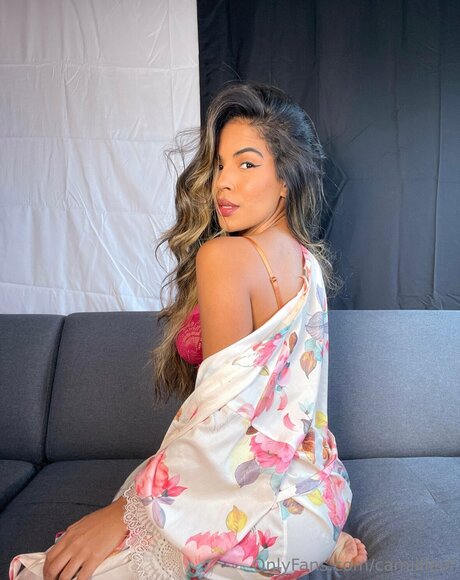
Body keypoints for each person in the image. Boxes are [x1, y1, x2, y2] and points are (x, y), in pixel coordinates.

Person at [10, 82, 367, 579]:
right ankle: (314, 546)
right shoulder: (309, 266)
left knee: (57, 569)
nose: (224, 183)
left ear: (286, 179)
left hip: (258, 516)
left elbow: (219, 420)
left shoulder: (224, 256)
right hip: (319, 498)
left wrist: (126, 514)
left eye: (247, 164)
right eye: (220, 165)